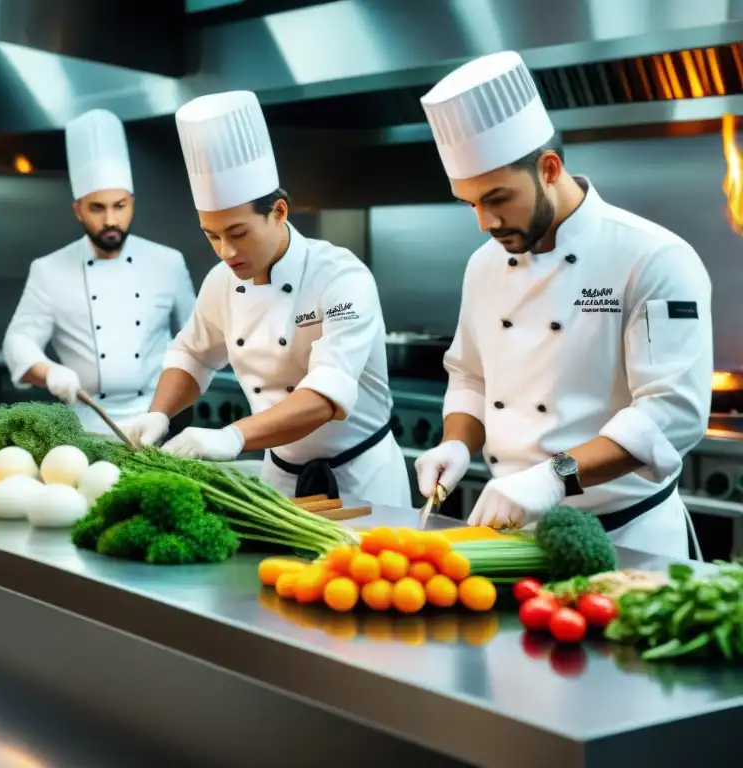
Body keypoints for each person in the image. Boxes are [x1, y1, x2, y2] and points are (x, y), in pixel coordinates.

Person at [414, 51, 712, 559]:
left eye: (497, 198)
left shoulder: (653, 256)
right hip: (515, 539)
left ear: (549, 168)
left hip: (627, 539)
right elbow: (469, 376)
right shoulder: (484, 265)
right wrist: (456, 443)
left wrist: (553, 479)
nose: (484, 222)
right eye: (470, 204)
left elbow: (671, 412)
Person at [121, 90, 411, 507]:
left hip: (362, 480)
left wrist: (233, 435)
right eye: (212, 235)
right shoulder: (221, 281)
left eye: (238, 233)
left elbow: (326, 395)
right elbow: (193, 355)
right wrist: (159, 414)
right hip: (278, 481)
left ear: (278, 211)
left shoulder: (341, 277)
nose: (225, 252)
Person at [3, 108, 196, 434]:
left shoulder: (168, 262)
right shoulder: (48, 270)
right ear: (78, 209)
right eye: (97, 208)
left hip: (156, 419)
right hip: (85, 426)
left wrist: (170, 408)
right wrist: (49, 372)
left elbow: (196, 342)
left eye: (120, 206)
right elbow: (17, 340)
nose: (110, 220)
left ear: (132, 202)